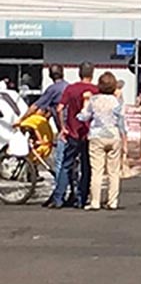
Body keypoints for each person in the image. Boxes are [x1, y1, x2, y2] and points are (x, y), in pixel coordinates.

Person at [51, 61, 98, 209]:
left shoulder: (71, 89)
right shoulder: (96, 90)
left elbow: (59, 108)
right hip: (89, 133)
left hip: (72, 131)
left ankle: (59, 198)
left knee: (66, 165)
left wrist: (63, 127)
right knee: (86, 166)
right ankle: (81, 199)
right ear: (92, 73)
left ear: (79, 73)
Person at [78, 72, 127, 211]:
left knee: (97, 170)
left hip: (97, 136)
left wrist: (84, 103)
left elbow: (84, 117)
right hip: (113, 135)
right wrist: (124, 139)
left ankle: (95, 201)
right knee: (113, 171)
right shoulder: (117, 101)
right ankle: (113, 201)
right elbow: (122, 121)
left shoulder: (94, 100)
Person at [22, 65, 69, 208]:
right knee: (70, 163)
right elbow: (48, 111)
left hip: (64, 131)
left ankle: (58, 196)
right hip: (76, 130)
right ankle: (74, 193)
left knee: (61, 163)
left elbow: (36, 107)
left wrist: (21, 120)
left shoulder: (53, 89)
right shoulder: (68, 87)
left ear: (49, 75)